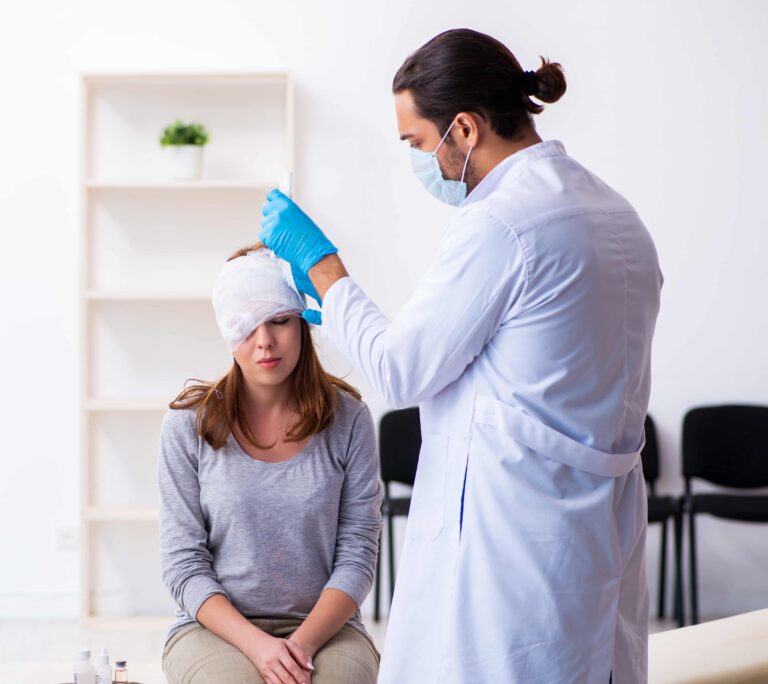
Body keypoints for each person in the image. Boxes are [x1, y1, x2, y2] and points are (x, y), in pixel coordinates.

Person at [259, 28, 663, 684]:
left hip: (515, 532)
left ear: (465, 129)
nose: (420, 160)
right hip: (595, 522)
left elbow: (401, 368)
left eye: (418, 143)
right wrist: (330, 312)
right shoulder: (613, 211)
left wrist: (323, 268)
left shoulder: (500, 222)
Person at [158, 244, 384, 684]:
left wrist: (300, 646)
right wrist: (259, 647)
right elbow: (183, 564)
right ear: (227, 331)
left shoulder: (350, 420)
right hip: (213, 628)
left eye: (279, 320)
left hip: (328, 629)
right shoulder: (187, 425)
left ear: (302, 322)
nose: (265, 341)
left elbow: (358, 555)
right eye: (246, 325)